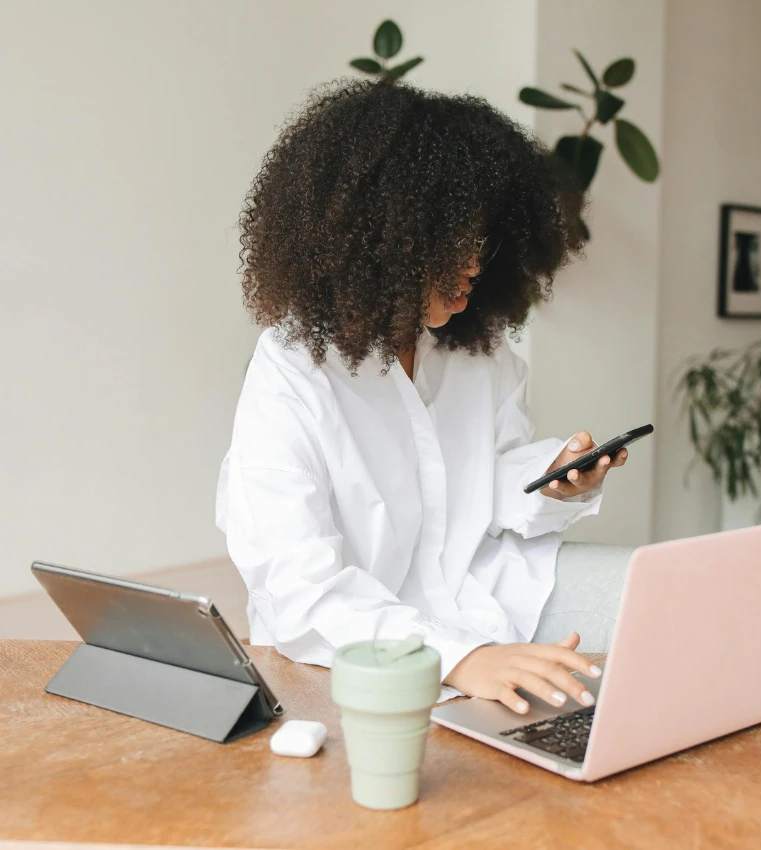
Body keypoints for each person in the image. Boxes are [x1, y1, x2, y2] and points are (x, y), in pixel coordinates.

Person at [216, 79, 632, 716]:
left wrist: (551, 481)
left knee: (664, 596)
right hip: (352, 650)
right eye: (448, 245)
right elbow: (296, 587)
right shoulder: (293, 370)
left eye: (483, 241)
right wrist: (462, 658)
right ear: (378, 242)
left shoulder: (481, 354)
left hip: (482, 599)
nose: (472, 265)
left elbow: (485, 484)